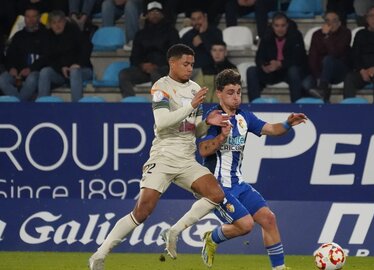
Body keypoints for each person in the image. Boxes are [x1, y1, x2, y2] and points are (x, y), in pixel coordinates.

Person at [88, 44, 230, 270]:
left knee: (216, 194)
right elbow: (162, 122)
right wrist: (192, 106)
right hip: (164, 155)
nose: (189, 68)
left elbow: (194, 129)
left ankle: (173, 231)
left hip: (186, 159)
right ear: (172, 63)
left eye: (192, 64)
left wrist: (208, 123)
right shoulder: (161, 87)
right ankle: (99, 255)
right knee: (142, 211)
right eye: (185, 64)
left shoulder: (195, 88)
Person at [196, 69, 307, 269]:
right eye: (230, 92)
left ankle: (279, 268)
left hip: (238, 183)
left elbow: (272, 129)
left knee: (268, 218)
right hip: (217, 187)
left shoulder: (244, 118)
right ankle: (212, 237)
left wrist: (288, 123)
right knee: (245, 225)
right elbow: (203, 151)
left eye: (239, 92)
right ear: (219, 93)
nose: (236, 97)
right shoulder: (212, 118)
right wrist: (221, 136)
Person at [118, 1, 179, 97]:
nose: (154, 15)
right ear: (146, 15)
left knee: (156, 74)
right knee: (124, 74)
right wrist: (142, 65)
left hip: (164, 69)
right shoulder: (140, 34)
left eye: (157, 12)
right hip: (144, 70)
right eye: (151, 13)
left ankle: (160, 106)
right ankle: (130, 103)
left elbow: (175, 56)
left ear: (162, 15)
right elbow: (134, 57)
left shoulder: (172, 32)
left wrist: (157, 66)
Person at [246, 12, 307, 103]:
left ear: (287, 25)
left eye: (283, 25)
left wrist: (280, 64)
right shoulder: (267, 36)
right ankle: (254, 105)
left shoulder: (295, 36)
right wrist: (263, 65)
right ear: (272, 26)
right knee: (251, 71)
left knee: (294, 71)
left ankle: (297, 106)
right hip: (271, 72)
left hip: (286, 71)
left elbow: (299, 58)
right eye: (277, 26)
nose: (280, 29)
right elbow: (259, 57)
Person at [34, 10, 93, 102]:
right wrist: (61, 67)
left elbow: (87, 46)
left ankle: (77, 108)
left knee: (74, 71)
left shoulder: (73, 30)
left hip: (82, 70)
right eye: (54, 23)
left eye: (60, 22)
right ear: (50, 25)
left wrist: (78, 64)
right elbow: (48, 57)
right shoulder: (48, 36)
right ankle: (43, 106)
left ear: (65, 22)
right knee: (45, 72)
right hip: (61, 72)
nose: (57, 25)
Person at [0, 6, 48, 101]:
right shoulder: (18, 36)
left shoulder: (46, 35)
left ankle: (19, 106)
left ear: (39, 18)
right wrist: (11, 68)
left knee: (32, 79)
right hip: (18, 73)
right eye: (27, 16)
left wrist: (31, 69)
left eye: (33, 16)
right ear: (24, 18)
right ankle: (20, 104)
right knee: (2, 79)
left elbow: (47, 57)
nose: (30, 20)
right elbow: (10, 56)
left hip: (36, 72)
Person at [306, 10, 351, 103]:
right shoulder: (317, 34)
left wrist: (327, 36)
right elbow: (313, 57)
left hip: (340, 71)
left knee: (328, 59)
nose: (330, 24)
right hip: (321, 73)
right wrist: (317, 76)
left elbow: (336, 53)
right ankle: (322, 103)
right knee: (306, 83)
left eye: (334, 21)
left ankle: (322, 90)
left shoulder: (345, 33)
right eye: (327, 21)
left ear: (339, 23)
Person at [180, 8, 223, 76]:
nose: (196, 22)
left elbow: (216, 53)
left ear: (205, 18)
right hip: (192, 70)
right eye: (193, 19)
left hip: (212, 70)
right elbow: (183, 55)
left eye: (199, 18)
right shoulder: (187, 35)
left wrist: (202, 35)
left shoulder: (216, 32)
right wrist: (193, 45)